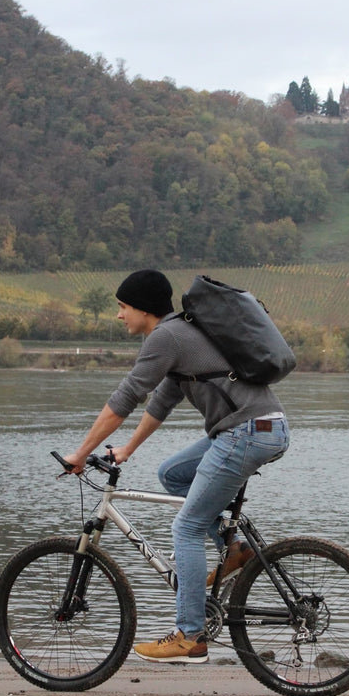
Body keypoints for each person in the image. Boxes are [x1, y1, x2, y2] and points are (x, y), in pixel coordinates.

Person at [64, 269, 290, 663]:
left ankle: (190, 636)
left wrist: (80, 453)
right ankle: (232, 546)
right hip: (261, 427)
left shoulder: (166, 337)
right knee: (172, 474)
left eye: (123, 306)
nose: (119, 315)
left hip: (246, 431)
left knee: (185, 527)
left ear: (144, 309)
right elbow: (160, 403)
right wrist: (128, 449)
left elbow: (126, 397)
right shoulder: (182, 337)